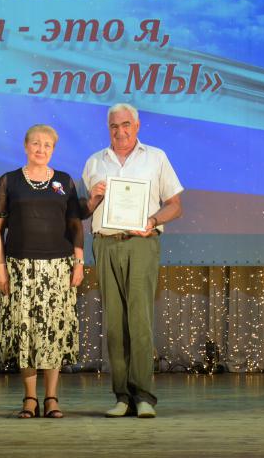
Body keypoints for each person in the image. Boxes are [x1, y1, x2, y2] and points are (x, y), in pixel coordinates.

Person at [81, 103, 183, 418]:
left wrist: (152, 221)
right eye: (114, 126)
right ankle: (122, 396)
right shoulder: (95, 162)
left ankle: (143, 397)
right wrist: (94, 198)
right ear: (108, 128)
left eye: (126, 124)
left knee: (139, 321)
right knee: (114, 324)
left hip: (141, 244)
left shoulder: (156, 157)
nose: (120, 131)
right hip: (106, 244)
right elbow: (85, 211)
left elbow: (175, 205)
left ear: (136, 126)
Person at [0, 124, 84, 418]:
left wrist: (79, 262)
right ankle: (30, 399)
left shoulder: (64, 181)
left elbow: (76, 225)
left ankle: (51, 398)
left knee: (53, 333)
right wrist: (0, 268)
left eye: (47, 145)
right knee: (25, 333)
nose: (41, 149)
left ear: (53, 149)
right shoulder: (10, 181)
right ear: (26, 146)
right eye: (36, 143)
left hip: (58, 267)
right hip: (21, 268)